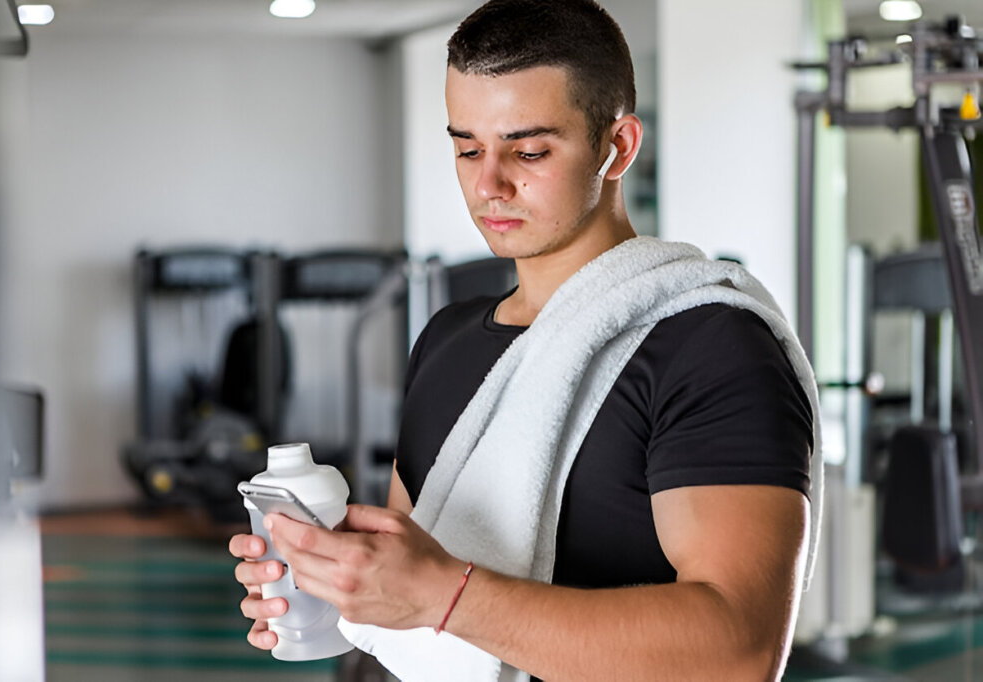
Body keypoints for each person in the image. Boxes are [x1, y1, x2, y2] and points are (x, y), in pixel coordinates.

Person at [230, 0, 818, 679]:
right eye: (467, 149)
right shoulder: (445, 341)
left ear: (618, 146)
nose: (489, 184)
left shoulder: (710, 346)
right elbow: (413, 599)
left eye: (530, 150)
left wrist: (446, 596)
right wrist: (337, 584)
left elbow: (737, 653)